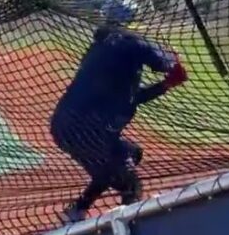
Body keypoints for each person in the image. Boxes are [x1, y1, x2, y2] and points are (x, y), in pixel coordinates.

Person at [51, 17, 187, 224]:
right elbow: (160, 61)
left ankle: (78, 209)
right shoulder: (126, 44)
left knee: (126, 157)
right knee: (127, 180)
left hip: (71, 128)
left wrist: (165, 85)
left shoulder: (105, 57)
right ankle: (131, 220)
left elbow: (132, 98)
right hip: (87, 129)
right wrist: (171, 60)